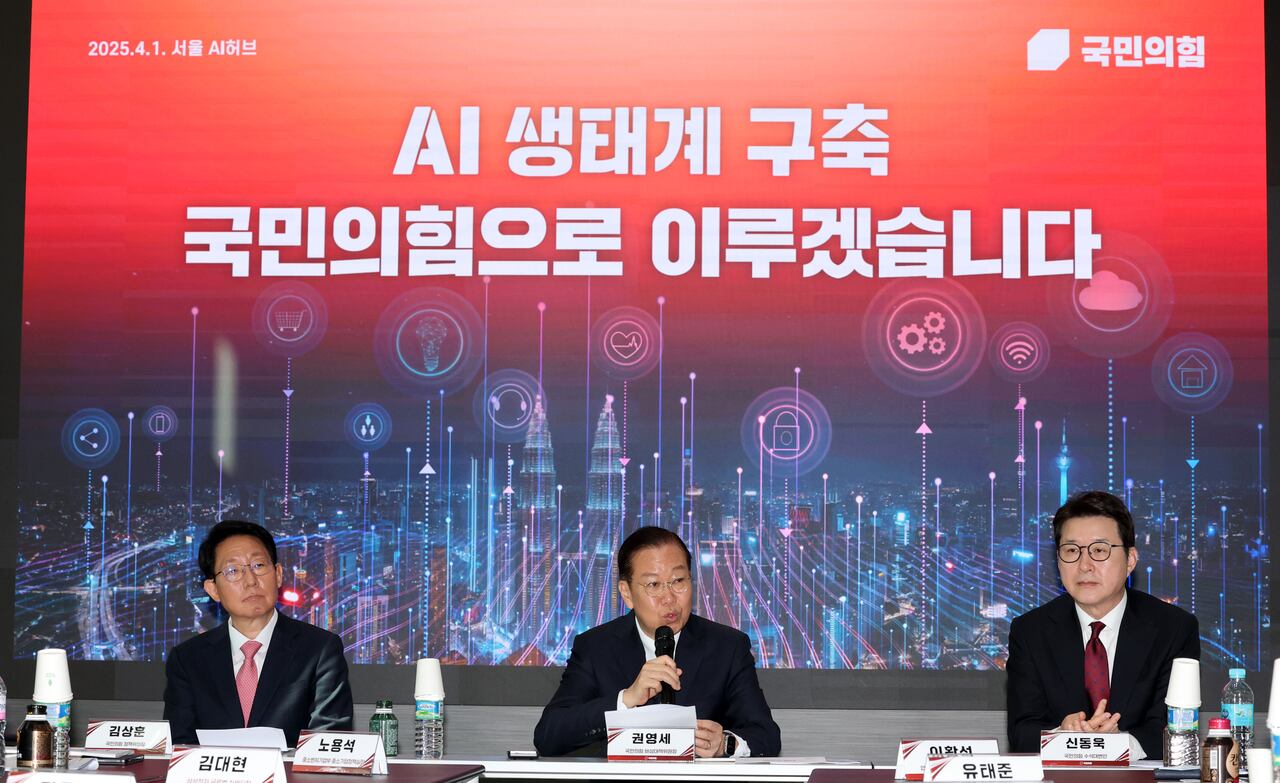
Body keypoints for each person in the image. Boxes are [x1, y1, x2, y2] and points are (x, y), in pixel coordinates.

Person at [534, 526, 781, 757]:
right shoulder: (596, 646)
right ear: (627, 593)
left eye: (678, 581)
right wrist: (625, 700)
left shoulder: (727, 646)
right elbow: (549, 735)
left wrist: (725, 744)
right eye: (653, 584)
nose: (669, 598)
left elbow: (766, 735)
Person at [1006, 491, 1200, 758]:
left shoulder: (1174, 628)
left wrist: (1116, 744)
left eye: (1099, 550)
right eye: (1071, 551)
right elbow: (1022, 732)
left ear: (1130, 560)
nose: (1084, 565)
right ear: (1058, 561)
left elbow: (1176, 730)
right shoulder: (1030, 631)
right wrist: (1062, 735)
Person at [163, 520, 354, 745]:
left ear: (278, 574)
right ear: (213, 589)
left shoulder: (320, 650)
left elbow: (328, 741)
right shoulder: (188, 659)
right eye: (233, 571)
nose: (251, 581)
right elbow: (180, 744)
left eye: (259, 565)